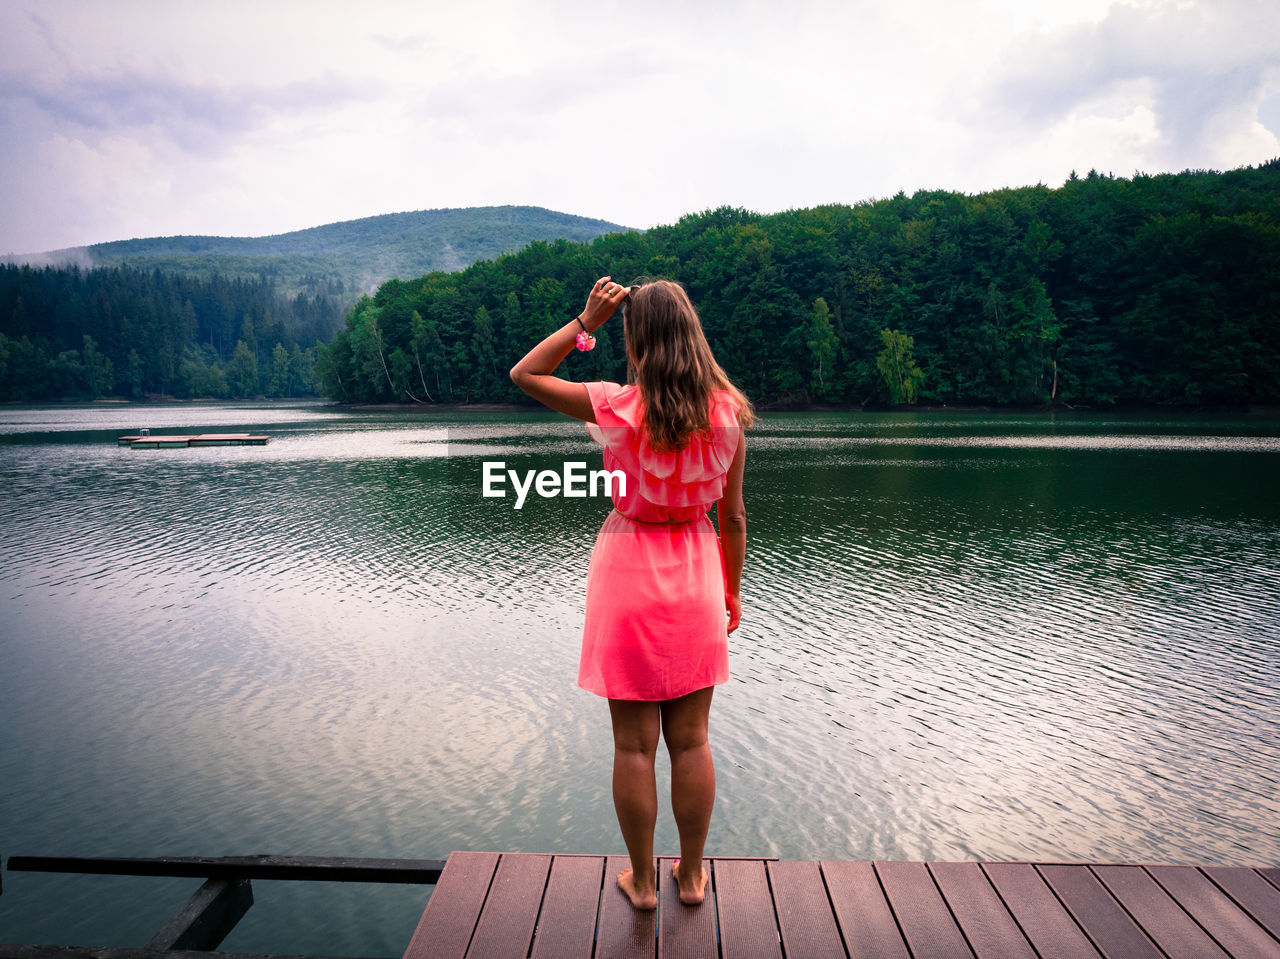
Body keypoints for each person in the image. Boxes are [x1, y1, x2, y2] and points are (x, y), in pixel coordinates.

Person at [510, 276, 752, 910]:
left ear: (636, 339)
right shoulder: (727, 413)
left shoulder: (616, 407)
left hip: (629, 569)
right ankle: (693, 877)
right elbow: (733, 519)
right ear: (693, 334)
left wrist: (584, 322)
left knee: (633, 745)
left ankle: (644, 883)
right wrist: (730, 591)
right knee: (694, 740)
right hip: (698, 571)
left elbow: (526, 375)